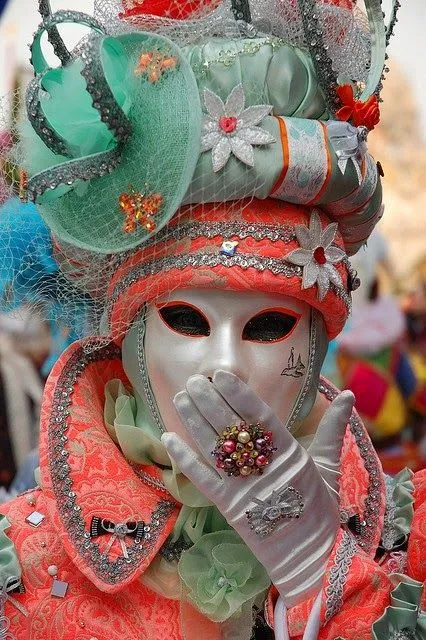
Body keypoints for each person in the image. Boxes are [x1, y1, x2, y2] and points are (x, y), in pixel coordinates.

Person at [0, 0, 425, 639]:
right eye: (186, 319)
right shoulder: (23, 577)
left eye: (268, 326)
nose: (224, 364)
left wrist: (328, 583)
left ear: (317, 338)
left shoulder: (409, 542)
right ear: (133, 335)